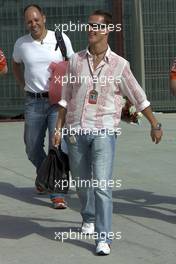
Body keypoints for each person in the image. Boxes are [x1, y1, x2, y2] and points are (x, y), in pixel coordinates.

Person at [53, 10, 163, 255]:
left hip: (104, 131)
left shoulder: (120, 65)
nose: (91, 29)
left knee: (102, 184)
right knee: (82, 183)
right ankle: (88, 216)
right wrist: (58, 129)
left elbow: (138, 96)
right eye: (89, 25)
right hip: (76, 131)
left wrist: (155, 124)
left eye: (96, 26)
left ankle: (104, 238)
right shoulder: (75, 61)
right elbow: (64, 99)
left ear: (107, 31)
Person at [12, 4, 74, 209]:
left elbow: (73, 65)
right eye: (29, 21)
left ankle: (56, 193)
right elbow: (15, 64)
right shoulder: (21, 44)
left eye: (36, 19)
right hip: (33, 101)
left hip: (57, 103)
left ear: (44, 18)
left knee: (56, 146)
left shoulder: (60, 38)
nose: (33, 24)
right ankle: (44, 175)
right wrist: (22, 84)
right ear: (25, 23)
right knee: (31, 147)